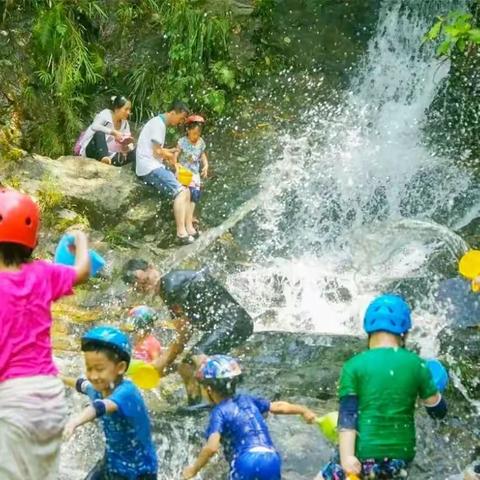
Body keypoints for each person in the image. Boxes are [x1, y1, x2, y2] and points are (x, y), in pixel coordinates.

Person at [0, 188, 90, 480]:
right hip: (50, 397)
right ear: (33, 240)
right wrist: (81, 240)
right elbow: (82, 271)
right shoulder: (44, 273)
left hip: (14, 402)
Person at [317, 294, 448, 480]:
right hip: (401, 457)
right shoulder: (417, 364)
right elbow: (438, 411)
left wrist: (347, 457)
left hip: (363, 454)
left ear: (368, 329)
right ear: (404, 332)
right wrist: (437, 389)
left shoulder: (354, 366)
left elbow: (348, 416)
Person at [122, 262, 254, 404]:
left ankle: (201, 405)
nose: (147, 287)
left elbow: (183, 335)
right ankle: (202, 403)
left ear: (152, 267)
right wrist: (166, 363)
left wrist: (162, 363)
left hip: (232, 324)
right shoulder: (171, 285)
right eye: (140, 288)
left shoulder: (171, 286)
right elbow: (183, 335)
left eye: (146, 281)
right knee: (187, 364)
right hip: (234, 323)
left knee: (193, 361)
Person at [182, 355, 317, 480]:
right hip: (271, 457)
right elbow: (279, 406)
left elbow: (211, 447)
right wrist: (303, 410)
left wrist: (193, 470)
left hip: (246, 461)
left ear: (209, 389)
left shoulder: (219, 412)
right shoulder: (248, 400)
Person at [62, 326, 158, 480]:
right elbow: (81, 384)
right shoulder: (99, 387)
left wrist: (74, 422)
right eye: (89, 368)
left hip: (139, 472)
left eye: (99, 369)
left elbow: (99, 407)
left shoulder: (127, 393)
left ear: (120, 367)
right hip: (112, 462)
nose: (93, 375)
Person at [135, 101, 193, 244]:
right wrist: (174, 161)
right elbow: (157, 152)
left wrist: (168, 153)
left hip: (152, 165)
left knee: (187, 191)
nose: (180, 122)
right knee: (180, 192)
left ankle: (189, 228)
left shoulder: (158, 123)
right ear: (173, 112)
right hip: (149, 168)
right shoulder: (159, 125)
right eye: (180, 118)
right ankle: (181, 234)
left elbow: (157, 150)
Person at [175, 115, 208, 237]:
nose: (196, 137)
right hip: (184, 172)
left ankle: (189, 224)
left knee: (195, 196)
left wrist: (206, 166)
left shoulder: (200, 142)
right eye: (194, 133)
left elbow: (203, 155)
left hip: (195, 173)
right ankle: (184, 224)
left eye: (198, 134)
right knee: (186, 195)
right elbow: (176, 154)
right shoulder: (182, 142)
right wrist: (176, 165)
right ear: (188, 130)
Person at [77, 95, 135, 166]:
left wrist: (127, 145)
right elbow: (94, 126)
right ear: (117, 108)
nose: (128, 112)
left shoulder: (125, 124)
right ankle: (104, 158)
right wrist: (113, 132)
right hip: (93, 149)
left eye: (130, 110)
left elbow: (129, 144)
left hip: (110, 153)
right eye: (126, 109)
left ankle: (109, 160)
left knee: (135, 152)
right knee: (99, 133)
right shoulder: (106, 114)